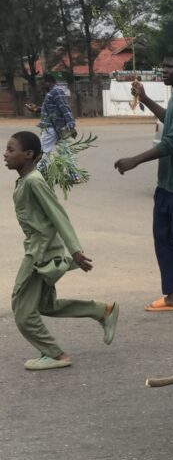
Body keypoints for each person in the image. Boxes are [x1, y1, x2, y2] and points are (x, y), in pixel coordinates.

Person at [5, 131, 118, 371]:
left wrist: (75, 250)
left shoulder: (34, 181)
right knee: (46, 305)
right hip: (42, 250)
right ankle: (102, 311)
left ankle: (55, 354)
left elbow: (58, 215)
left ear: (28, 155)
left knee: (23, 311)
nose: (5, 154)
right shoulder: (26, 181)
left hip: (39, 255)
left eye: (10, 150)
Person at [115, 51, 173, 311]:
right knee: (162, 237)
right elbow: (169, 119)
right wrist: (144, 98)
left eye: (171, 66)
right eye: (163, 66)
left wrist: (135, 160)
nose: (164, 71)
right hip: (167, 184)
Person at [25, 73, 77, 174]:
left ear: (49, 82)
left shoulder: (56, 91)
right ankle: (73, 175)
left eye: (43, 84)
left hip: (51, 128)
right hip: (57, 128)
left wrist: (71, 126)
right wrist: (36, 109)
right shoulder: (52, 92)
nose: (42, 86)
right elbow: (51, 110)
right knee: (64, 152)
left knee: (42, 151)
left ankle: (37, 175)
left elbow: (64, 108)